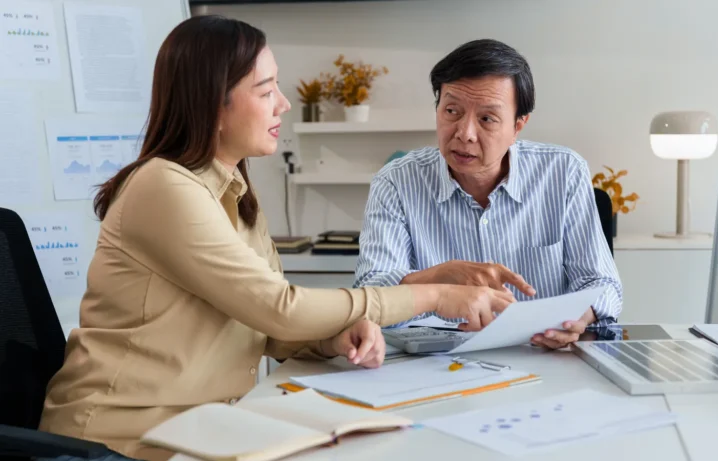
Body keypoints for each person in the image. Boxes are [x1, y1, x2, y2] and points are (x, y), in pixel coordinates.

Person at [37, 17, 517, 461]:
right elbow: (280, 308)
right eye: (266, 90)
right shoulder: (162, 187)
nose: (283, 103)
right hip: (119, 441)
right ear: (213, 104)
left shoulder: (234, 192)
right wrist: (435, 296)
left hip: (198, 430)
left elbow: (267, 328)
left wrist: (332, 340)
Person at [354, 39, 622, 350]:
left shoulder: (563, 172)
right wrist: (441, 276)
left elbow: (603, 285)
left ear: (518, 126)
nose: (464, 133)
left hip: (541, 356)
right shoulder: (396, 181)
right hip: (436, 361)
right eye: (451, 111)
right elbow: (369, 296)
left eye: (487, 119)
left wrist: (577, 319)